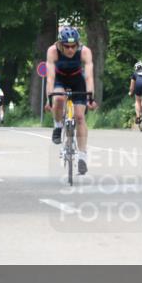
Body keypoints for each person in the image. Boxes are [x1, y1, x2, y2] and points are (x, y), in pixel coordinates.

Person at [45, 26, 97, 175]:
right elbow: (50, 78)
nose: (70, 50)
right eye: (66, 46)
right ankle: (58, 125)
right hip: (59, 79)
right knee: (59, 98)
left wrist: (90, 97)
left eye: (73, 46)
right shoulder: (52, 51)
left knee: (80, 117)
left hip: (77, 80)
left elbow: (89, 77)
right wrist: (49, 98)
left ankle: (82, 158)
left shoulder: (85, 51)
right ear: (61, 44)